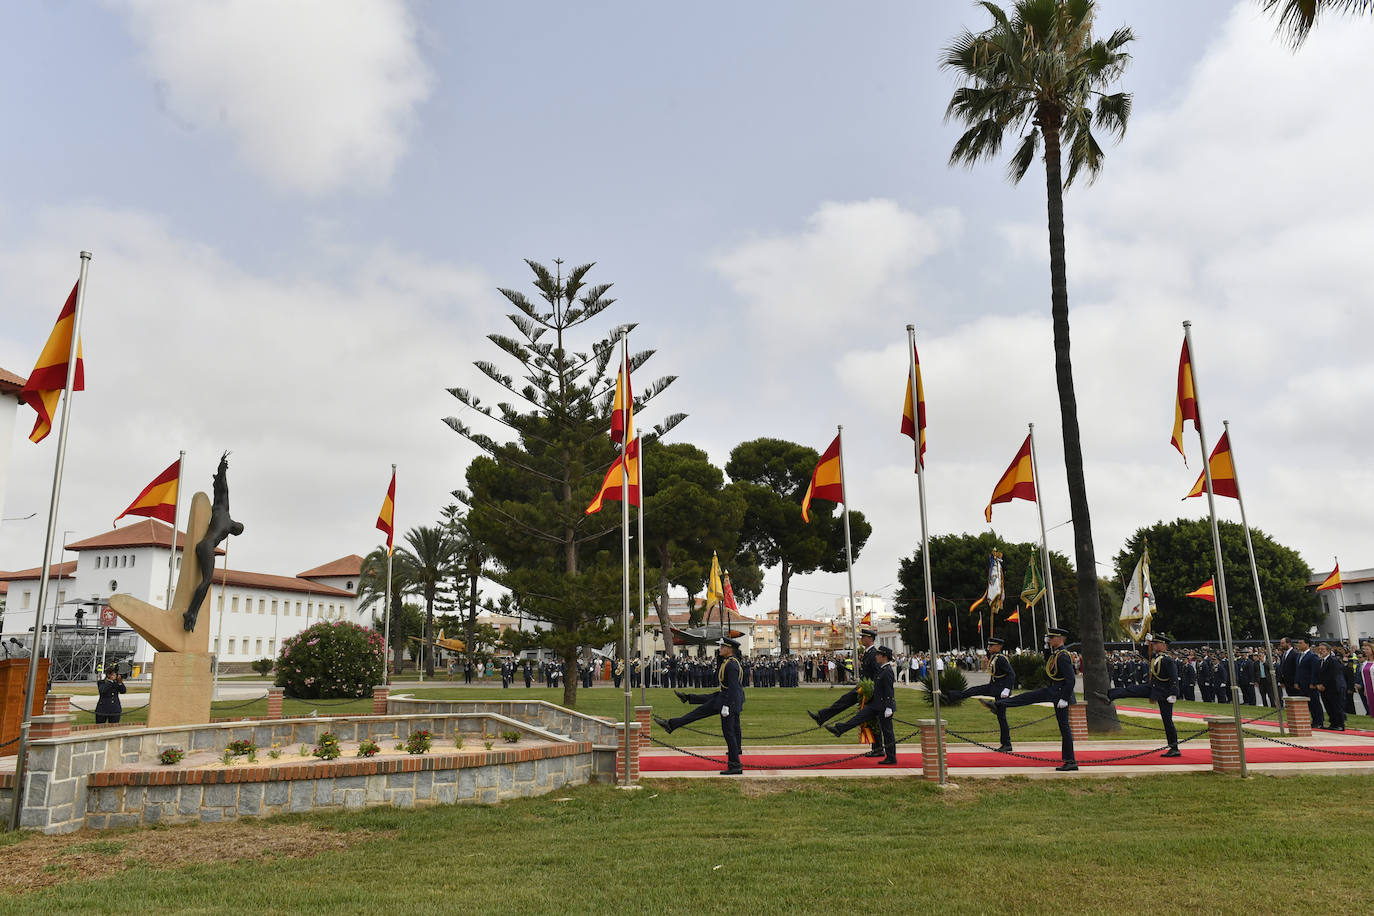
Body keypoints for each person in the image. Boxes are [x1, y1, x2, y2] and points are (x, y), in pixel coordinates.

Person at [656, 637, 746, 775]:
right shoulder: (729, 662)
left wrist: (728, 706)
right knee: (727, 727)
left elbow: (734, 687)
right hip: (727, 696)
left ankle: (735, 766)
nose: (720, 649)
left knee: (727, 732)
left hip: (729, 699)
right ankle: (684, 703)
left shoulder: (732, 664)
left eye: (723, 647)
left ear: (729, 649)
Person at [998, 626, 1077, 771]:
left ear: (1060, 638)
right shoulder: (1057, 653)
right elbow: (1048, 662)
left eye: (1052, 638)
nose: (1050, 640)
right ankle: (1070, 760)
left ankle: (1070, 761)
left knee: (1031, 698)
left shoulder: (1064, 655)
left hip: (1059, 692)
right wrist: (1046, 647)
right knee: (1063, 726)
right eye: (1049, 638)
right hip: (1056, 691)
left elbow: (1071, 680)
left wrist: (1065, 698)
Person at [807, 628, 886, 759]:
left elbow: (877, 674)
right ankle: (823, 717)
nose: (861, 639)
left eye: (864, 637)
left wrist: (872, 691)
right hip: (864, 687)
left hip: (869, 690)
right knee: (847, 702)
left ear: (870, 639)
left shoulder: (873, 654)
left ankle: (878, 748)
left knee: (869, 717)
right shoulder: (868, 653)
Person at [1102, 634, 1181, 757]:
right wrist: (1146, 643)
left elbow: (1174, 677)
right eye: (1153, 644)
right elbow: (1144, 655)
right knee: (1132, 690)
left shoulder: (1167, 659)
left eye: (1156, 644)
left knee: (1167, 721)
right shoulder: (1156, 657)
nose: (1154, 645)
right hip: (1153, 688)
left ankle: (1174, 748)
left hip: (1164, 693)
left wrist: (1174, 694)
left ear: (1163, 645)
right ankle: (1110, 694)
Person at [825, 646, 899, 764]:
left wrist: (889, 707)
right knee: (858, 717)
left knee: (887, 732)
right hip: (875, 704)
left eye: (879, 655)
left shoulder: (888, 671)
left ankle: (891, 757)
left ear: (884, 657)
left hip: (884, 706)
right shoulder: (881, 669)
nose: (876, 656)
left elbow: (889, 690)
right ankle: (839, 729)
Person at [953, 636, 1017, 752]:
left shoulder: (1001, 658)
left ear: (998, 647)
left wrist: (1007, 689)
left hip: (1001, 690)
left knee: (1002, 718)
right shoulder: (994, 656)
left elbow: (1011, 674)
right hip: (993, 686)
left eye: (991, 646)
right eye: (989, 646)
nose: (989, 648)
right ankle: (953, 696)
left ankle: (1006, 743)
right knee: (973, 690)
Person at [1314, 642, 1347, 731]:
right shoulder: (1320, 661)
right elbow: (1318, 674)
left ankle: (1340, 724)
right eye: (1319, 649)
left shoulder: (1333, 660)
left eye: (1322, 649)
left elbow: (1333, 675)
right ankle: (1333, 723)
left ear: (1328, 651)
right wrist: (1318, 684)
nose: (1320, 651)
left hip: (1333, 688)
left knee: (1336, 706)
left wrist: (1324, 684)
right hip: (1324, 689)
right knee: (1328, 706)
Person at [1295, 636, 1323, 729]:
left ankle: (1319, 721)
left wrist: (1313, 683)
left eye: (1301, 643)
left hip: (1310, 684)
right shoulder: (1299, 655)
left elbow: (1314, 671)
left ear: (1307, 644)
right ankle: (1313, 720)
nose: (1299, 645)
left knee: (1315, 703)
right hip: (1302, 684)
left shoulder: (1312, 656)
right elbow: (1298, 670)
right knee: (1308, 705)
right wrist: (1297, 682)